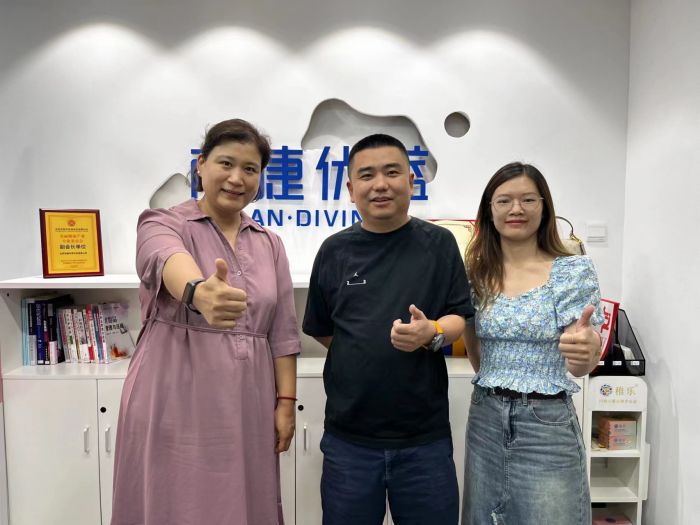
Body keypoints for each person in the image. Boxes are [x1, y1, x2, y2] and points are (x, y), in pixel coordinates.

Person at [111, 119, 300, 525]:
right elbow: (163, 257)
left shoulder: (269, 242)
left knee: (241, 501)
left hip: (248, 399)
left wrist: (286, 404)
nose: (237, 178)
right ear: (201, 165)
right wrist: (198, 292)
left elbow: (283, 333)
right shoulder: (163, 222)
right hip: (172, 391)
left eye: (250, 169)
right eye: (225, 163)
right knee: (173, 500)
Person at [302, 134, 474, 525]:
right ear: (351, 190)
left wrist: (431, 332)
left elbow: (458, 317)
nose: (380, 184)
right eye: (367, 175)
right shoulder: (334, 251)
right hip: (349, 439)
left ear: (411, 182)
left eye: (392, 172)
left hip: (424, 440)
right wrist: (362, 352)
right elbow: (323, 329)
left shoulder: (439, 244)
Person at [461, 162, 603, 525]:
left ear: (544, 207)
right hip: (485, 419)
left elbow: (583, 354)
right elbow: (475, 347)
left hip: (546, 424)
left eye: (528, 199)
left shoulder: (571, 271)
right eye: (504, 200)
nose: (516, 209)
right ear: (489, 210)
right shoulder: (476, 272)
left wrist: (585, 353)